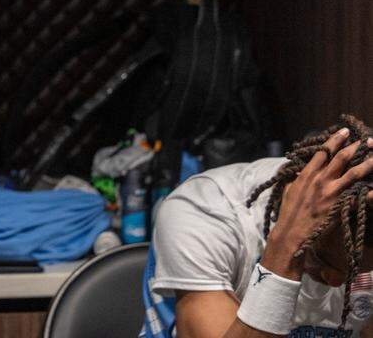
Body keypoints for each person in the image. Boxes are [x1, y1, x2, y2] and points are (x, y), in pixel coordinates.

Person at [141, 115, 373, 338]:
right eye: (322, 260)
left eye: (357, 272)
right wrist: (288, 245)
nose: (334, 283)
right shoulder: (205, 210)